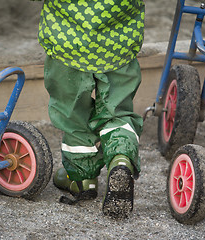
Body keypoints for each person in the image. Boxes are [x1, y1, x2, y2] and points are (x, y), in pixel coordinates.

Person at [34, 0, 145, 219]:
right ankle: (121, 159)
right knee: (118, 111)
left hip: (67, 39)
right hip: (118, 40)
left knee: (73, 113)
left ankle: (81, 179)